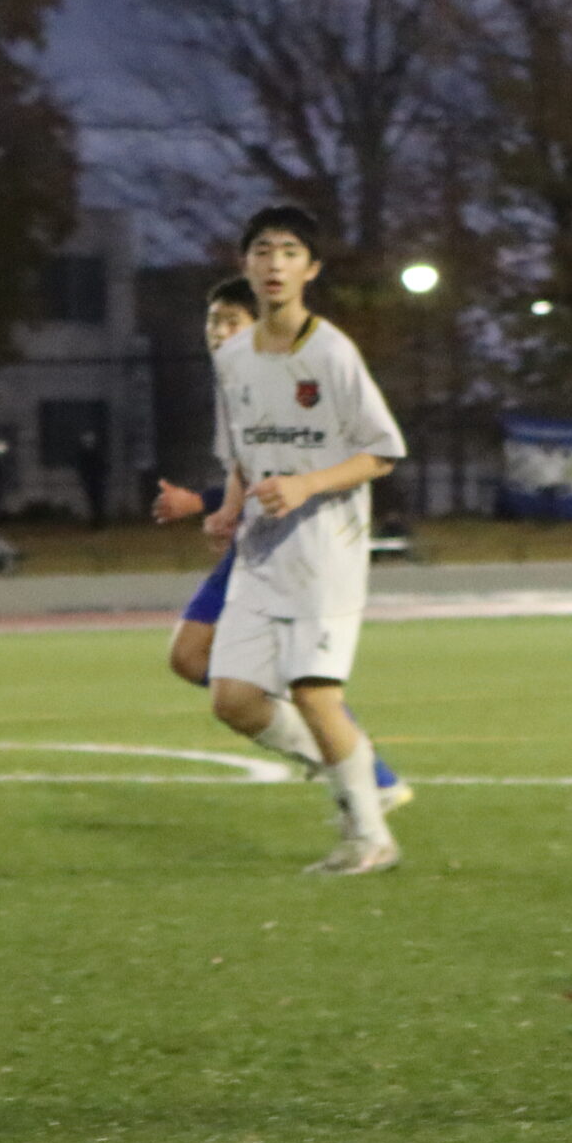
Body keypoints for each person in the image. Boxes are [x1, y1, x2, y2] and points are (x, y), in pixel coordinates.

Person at [202, 206, 409, 875]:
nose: (275, 263)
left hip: (326, 551)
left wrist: (307, 483)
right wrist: (229, 507)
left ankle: (370, 835)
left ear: (311, 269)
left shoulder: (330, 352)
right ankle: (357, 771)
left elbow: (381, 451)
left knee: (316, 695)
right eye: (263, 250)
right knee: (233, 699)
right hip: (261, 554)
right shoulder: (232, 357)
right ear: (246, 264)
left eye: (290, 251)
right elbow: (241, 451)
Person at [155, 276, 407, 809]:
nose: (218, 331)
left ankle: (367, 777)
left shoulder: (302, 369)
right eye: (213, 321)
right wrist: (217, 508)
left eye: (232, 321)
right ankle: (353, 767)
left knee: (303, 683)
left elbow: (309, 462)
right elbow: (247, 469)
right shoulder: (232, 378)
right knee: (191, 657)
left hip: (300, 542)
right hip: (255, 542)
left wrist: (217, 503)